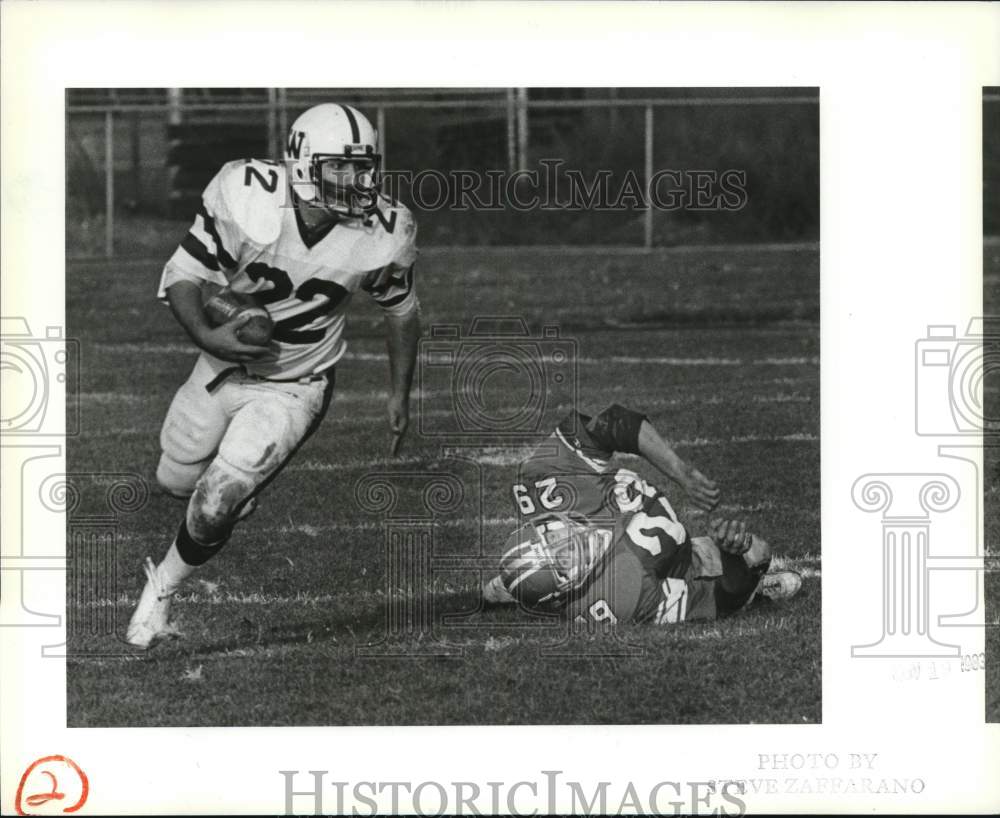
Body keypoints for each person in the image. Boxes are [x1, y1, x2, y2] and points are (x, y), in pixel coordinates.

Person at [126, 103, 421, 648]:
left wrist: (398, 393)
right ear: (303, 163)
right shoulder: (250, 196)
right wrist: (209, 335)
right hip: (223, 364)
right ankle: (234, 496)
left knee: (215, 501)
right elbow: (185, 275)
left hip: (296, 382)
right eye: (342, 167)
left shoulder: (383, 230)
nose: (359, 181)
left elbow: (402, 310)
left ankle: (160, 593)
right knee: (175, 482)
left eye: (365, 167)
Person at [482, 404, 802, 624]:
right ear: (569, 588)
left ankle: (517, 588)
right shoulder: (620, 597)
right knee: (759, 551)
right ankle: (759, 590)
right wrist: (735, 554)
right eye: (566, 561)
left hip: (638, 532)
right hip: (682, 562)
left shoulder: (544, 479)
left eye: (555, 538)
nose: (573, 542)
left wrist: (681, 471)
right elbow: (717, 601)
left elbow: (613, 421)